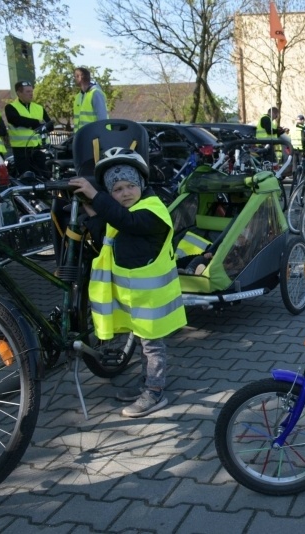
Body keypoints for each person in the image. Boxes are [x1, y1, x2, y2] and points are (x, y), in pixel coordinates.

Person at [70, 148, 186, 417]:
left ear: (141, 185)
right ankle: (147, 382)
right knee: (144, 344)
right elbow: (108, 234)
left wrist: (96, 195)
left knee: (153, 347)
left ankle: (155, 392)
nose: (125, 193)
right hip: (137, 300)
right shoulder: (124, 211)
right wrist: (92, 212)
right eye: (117, 189)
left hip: (153, 301)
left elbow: (128, 222)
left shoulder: (152, 210)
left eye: (130, 186)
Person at [4, 80, 52, 177]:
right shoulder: (10, 107)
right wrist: (37, 123)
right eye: (28, 92)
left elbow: (50, 126)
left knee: (43, 176)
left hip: (37, 148)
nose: (31, 94)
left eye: (31, 91)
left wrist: (31, 123)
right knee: (26, 177)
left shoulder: (39, 108)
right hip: (21, 149)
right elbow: (16, 120)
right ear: (19, 93)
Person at [73, 67, 108, 133]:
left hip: (94, 136)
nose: (74, 79)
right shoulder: (79, 96)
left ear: (80, 77)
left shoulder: (96, 93)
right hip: (82, 136)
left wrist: (101, 137)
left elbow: (102, 119)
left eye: (75, 76)